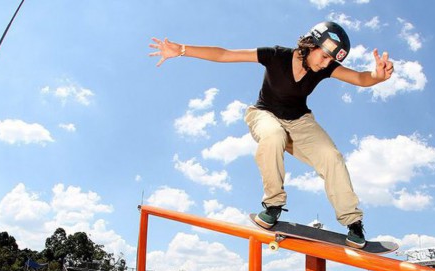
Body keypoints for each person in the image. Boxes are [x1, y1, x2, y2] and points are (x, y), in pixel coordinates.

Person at [150, 22, 394, 248]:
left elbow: (360, 78)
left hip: (300, 122)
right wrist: (181, 49)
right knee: (274, 135)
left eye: (332, 61)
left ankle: (353, 222)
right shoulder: (276, 56)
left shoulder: (323, 69)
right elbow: (225, 54)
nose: (326, 64)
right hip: (263, 114)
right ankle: (273, 203)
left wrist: (377, 77)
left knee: (332, 156)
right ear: (311, 44)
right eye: (325, 56)